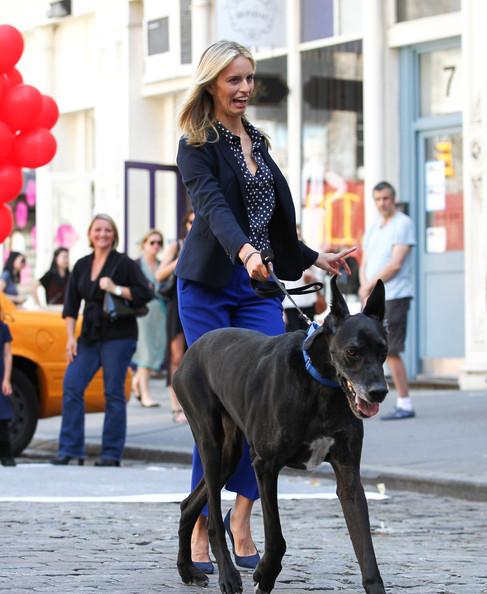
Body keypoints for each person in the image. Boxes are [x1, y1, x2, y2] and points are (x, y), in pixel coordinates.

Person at [175, 39, 355, 572]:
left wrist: (315, 258)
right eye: (234, 79)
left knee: (265, 407)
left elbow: (278, 229)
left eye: (250, 79)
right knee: (212, 414)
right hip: (208, 286)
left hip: (258, 289)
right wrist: (246, 250)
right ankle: (202, 527)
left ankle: (243, 516)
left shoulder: (259, 142)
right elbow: (212, 209)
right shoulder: (196, 144)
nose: (245, 89)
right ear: (212, 83)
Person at [49, 214, 152, 467]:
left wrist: (115, 288)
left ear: (114, 234)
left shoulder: (124, 263)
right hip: (89, 336)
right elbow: (71, 305)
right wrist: (70, 339)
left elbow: (144, 293)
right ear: (90, 234)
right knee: (72, 385)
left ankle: (111, 454)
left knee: (113, 393)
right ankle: (70, 449)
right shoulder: (82, 265)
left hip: (119, 335)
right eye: (98, 230)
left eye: (107, 230)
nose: (102, 234)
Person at [359, 181, 416, 420]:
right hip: (373, 297)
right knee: (369, 348)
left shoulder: (403, 223)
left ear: (393, 198)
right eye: (378, 199)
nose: (383, 203)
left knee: (391, 349)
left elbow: (395, 263)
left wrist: (370, 284)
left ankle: (405, 403)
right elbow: (365, 261)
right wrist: (364, 286)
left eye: (386, 198)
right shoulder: (374, 228)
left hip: (395, 295)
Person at [155, 212, 193, 424]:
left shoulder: (211, 241)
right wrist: (182, 257)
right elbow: (159, 275)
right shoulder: (177, 245)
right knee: (176, 357)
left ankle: (192, 406)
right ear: (184, 224)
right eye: (190, 221)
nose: (194, 224)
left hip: (199, 305)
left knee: (196, 357)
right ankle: (175, 406)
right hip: (177, 305)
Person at [131, 230, 166, 408]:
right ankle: (145, 394)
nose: (156, 246)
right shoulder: (136, 265)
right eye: (152, 242)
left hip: (159, 312)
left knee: (154, 351)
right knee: (145, 352)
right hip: (142, 312)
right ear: (144, 244)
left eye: (159, 242)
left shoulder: (162, 264)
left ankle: (136, 381)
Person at [0, 301, 15, 466]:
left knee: (2, 418)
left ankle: (6, 454)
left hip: (0, 377)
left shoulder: (3, 328)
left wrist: (6, 379)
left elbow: (7, 355)